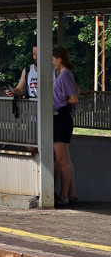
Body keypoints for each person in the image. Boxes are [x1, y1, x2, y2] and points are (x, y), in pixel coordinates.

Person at [52, 46, 79, 207]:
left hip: (61, 117)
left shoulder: (64, 75)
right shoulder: (65, 75)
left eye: (53, 59)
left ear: (59, 59)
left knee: (61, 160)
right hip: (61, 117)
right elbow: (76, 90)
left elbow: (73, 98)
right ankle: (71, 193)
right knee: (64, 159)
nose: (52, 62)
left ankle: (64, 195)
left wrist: (62, 103)